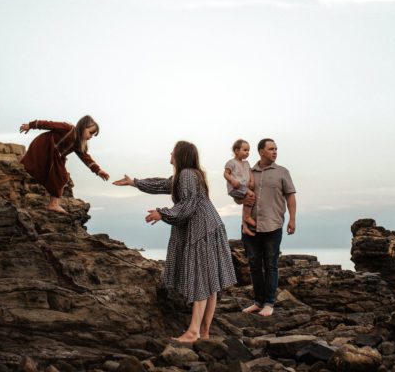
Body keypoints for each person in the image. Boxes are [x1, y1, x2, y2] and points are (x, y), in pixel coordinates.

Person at [113, 141, 236, 342]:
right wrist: (134, 182)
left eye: (173, 151)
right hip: (211, 226)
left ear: (180, 155)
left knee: (200, 279)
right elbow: (161, 184)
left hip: (202, 229)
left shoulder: (187, 174)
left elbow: (188, 204)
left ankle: (194, 332)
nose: (170, 153)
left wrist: (163, 213)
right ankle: (204, 333)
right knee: (210, 282)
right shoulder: (188, 175)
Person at [241, 138, 296, 317]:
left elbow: (290, 197)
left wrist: (292, 219)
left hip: (273, 225)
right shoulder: (249, 172)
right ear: (261, 151)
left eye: (276, 149)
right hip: (252, 226)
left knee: (271, 264)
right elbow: (239, 195)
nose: (275, 152)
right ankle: (258, 302)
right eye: (271, 149)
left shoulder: (282, 172)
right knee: (254, 265)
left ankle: (269, 303)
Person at [18, 116, 110, 214]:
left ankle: (53, 204)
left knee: (61, 177)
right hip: (45, 145)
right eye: (90, 133)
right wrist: (30, 125)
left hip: (56, 155)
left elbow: (85, 157)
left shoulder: (79, 143)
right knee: (57, 174)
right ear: (83, 127)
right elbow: (49, 124)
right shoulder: (68, 128)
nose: (91, 136)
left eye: (93, 135)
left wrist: (98, 170)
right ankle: (53, 204)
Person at [223, 138, 257, 236]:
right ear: (237, 151)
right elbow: (225, 174)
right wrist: (232, 180)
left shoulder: (246, 163)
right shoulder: (231, 162)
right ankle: (247, 217)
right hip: (236, 187)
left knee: (247, 202)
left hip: (243, 187)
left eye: (248, 150)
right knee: (251, 195)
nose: (247, 153)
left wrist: (252, 181)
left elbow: (250, 173)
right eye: (245, 150)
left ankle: (245, 227)